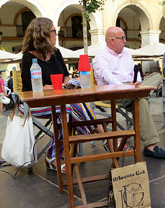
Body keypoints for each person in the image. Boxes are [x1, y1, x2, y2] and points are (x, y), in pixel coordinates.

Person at [21, 17, 107, 172]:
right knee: (67, 108)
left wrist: (67, 83)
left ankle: (53, 156)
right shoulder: (28, 58)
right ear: (43, 34)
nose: (56, 34)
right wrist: (60, 86)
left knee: (67, 109)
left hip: (60, 101)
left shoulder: (56, 53)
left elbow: (66, 76)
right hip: (35, 104)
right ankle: (104, 135)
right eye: (54, 31)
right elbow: (38, 88)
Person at [93, 26, 165, 159]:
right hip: (111, 91)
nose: (125, 40)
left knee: (157, 76)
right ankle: (151, 146)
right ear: (111, 40)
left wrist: (137, 83)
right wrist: (127, 89)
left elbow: (135, 73)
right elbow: (107, 77)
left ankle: (139, 93)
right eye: (122, 38)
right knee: (141, 101)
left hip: (132, 88)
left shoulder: (127, 55)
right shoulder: (100, 57)